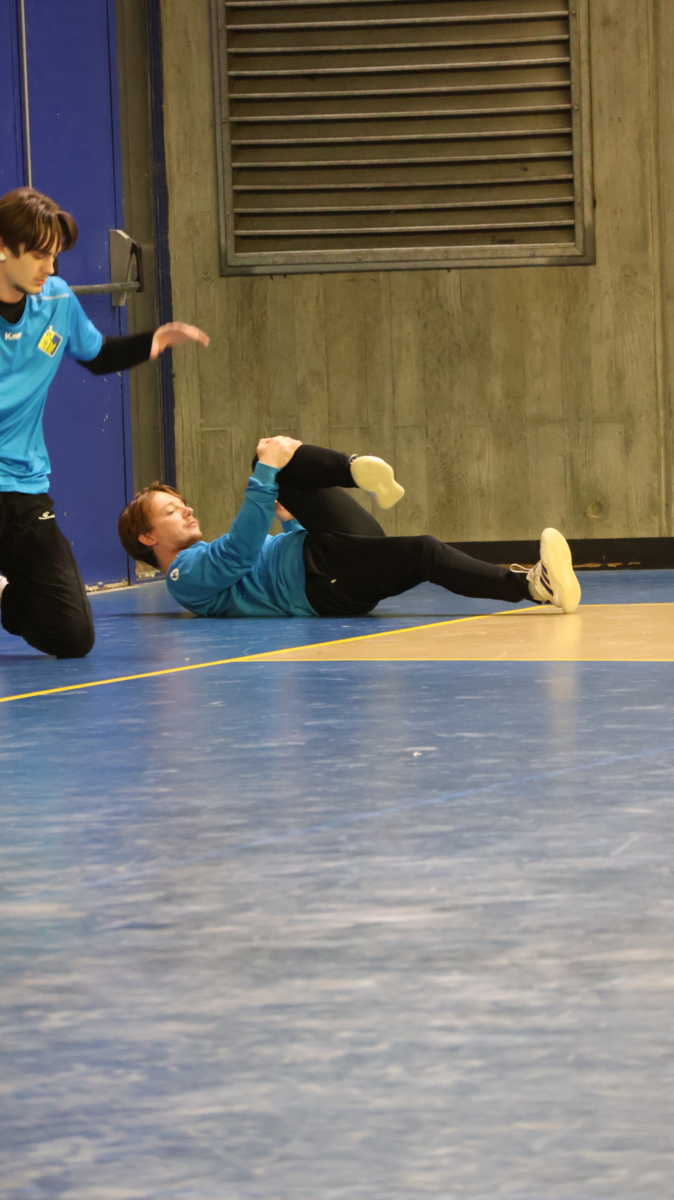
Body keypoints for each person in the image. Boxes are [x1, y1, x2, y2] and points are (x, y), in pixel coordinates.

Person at [0, 186, 208, 658]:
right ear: (3, 248)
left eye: (54, 255)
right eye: (38, 255)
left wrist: (152, 341)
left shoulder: (54, 299)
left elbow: (95, 355)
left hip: (23, 489)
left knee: (71, 637)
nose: (50, 268)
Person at [117, 437, 581, 621]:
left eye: (183, 504)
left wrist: (291, 518)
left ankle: (354, 469)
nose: (188, 510)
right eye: (172, 511)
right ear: (147, 537)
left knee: (272, 459)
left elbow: (252, 562)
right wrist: (264, 475)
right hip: (322, 581)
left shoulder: (198, 566)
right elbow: (239, 553)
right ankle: (533, 585)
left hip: (322, 557)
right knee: (423, 551)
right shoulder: (182, 577)